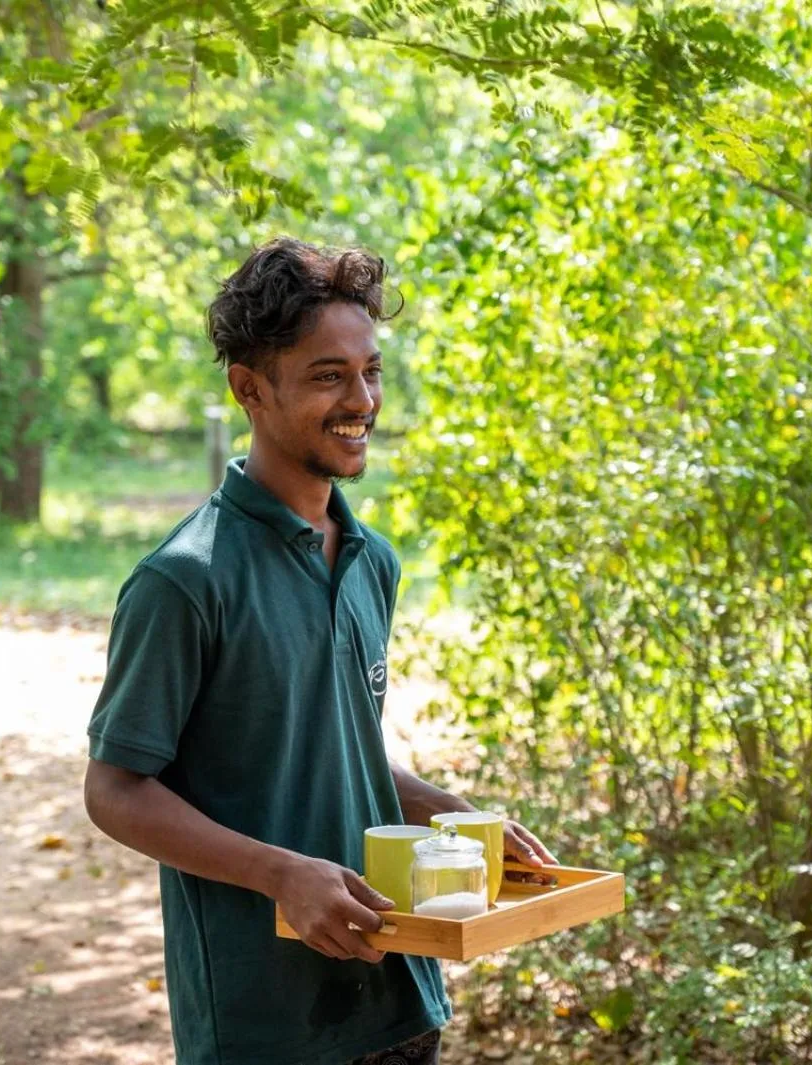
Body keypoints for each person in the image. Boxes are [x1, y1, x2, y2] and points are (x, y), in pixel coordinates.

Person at [83, 237, 555, 1065]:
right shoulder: (184, 579)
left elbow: (332, 749)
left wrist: (451, 814)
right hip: (265, 1022)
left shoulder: (374, 561)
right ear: (250, 388)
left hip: (399, 993)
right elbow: (115, 790)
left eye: (371, 371)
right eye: (329, 376)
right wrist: (281, 875)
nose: (362, 400)